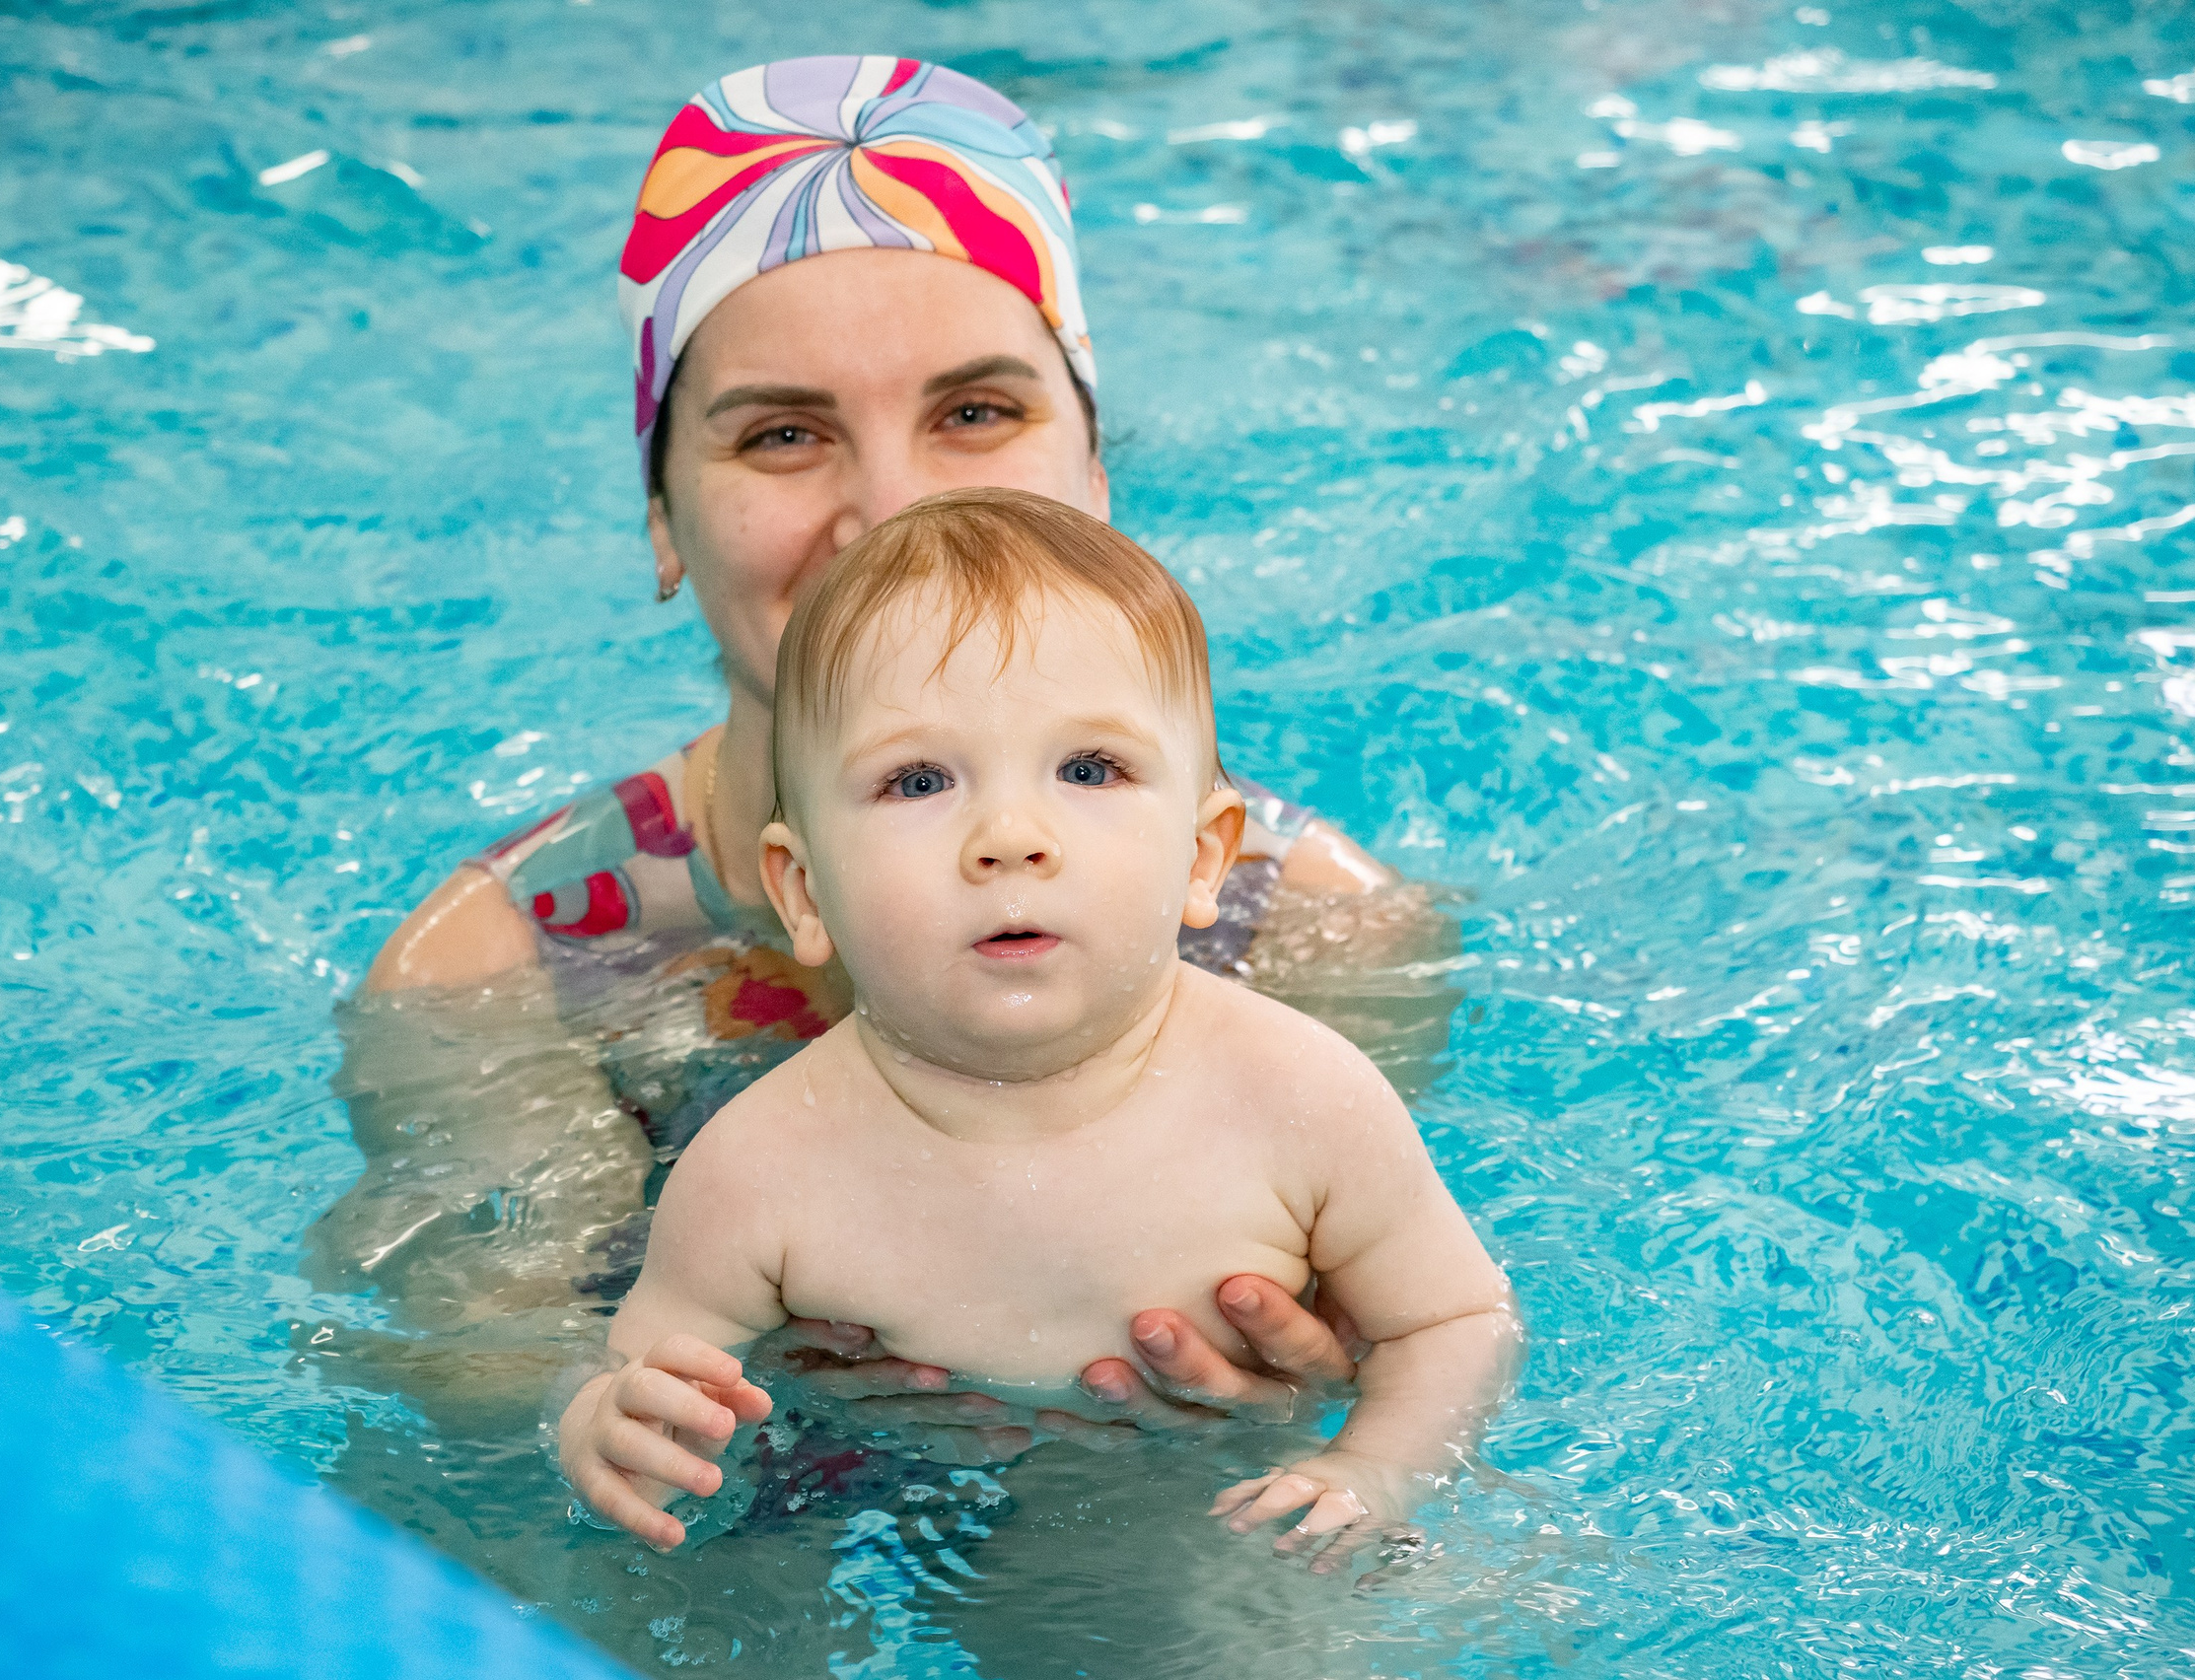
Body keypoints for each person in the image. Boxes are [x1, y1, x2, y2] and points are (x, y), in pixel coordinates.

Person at [334, 53, 1447, 1453]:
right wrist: (639, 1396)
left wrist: (1307, 1376)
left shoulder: (1313, 935)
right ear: (666, 520)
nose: (890, 508)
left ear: (1095, 479)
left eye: (975, 414)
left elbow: (1414, 1323)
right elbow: (457, 1375)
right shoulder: (512, 973)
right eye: (785, 433)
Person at [556, 489, 1517, 1570]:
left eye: (1088, 770)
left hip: (1217, 1525)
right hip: (879, 1516)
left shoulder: (1296, 1096)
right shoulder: (759, 1170)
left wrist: (1374, 1469)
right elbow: (635, 1379)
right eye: (917, 780)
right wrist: (602, 1430)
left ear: (1206, 857)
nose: (1009, 838)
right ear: (803, 889)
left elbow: (1452, 1321)